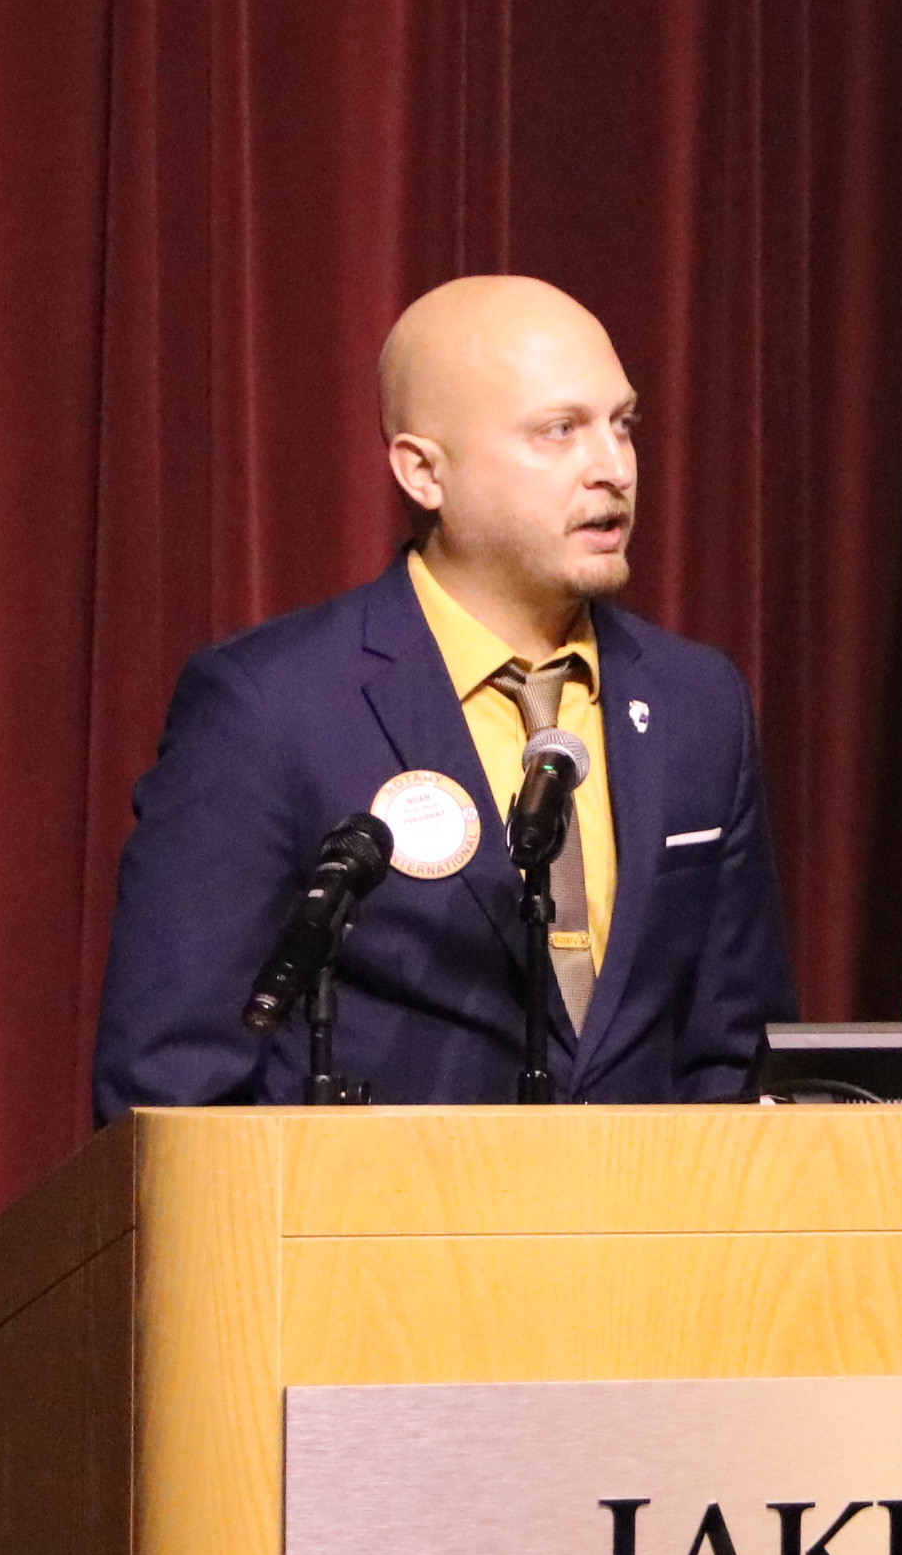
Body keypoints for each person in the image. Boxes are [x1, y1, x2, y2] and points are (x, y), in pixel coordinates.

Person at [92, 276, 795, 1112]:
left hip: (645, 1235)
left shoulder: (696, 701)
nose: (612, 469)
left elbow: (737, 1052)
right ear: (424, 473)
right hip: (373, 1235)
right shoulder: (271, 708)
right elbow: (173, 1085)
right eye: (559, 431)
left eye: (622, 425)